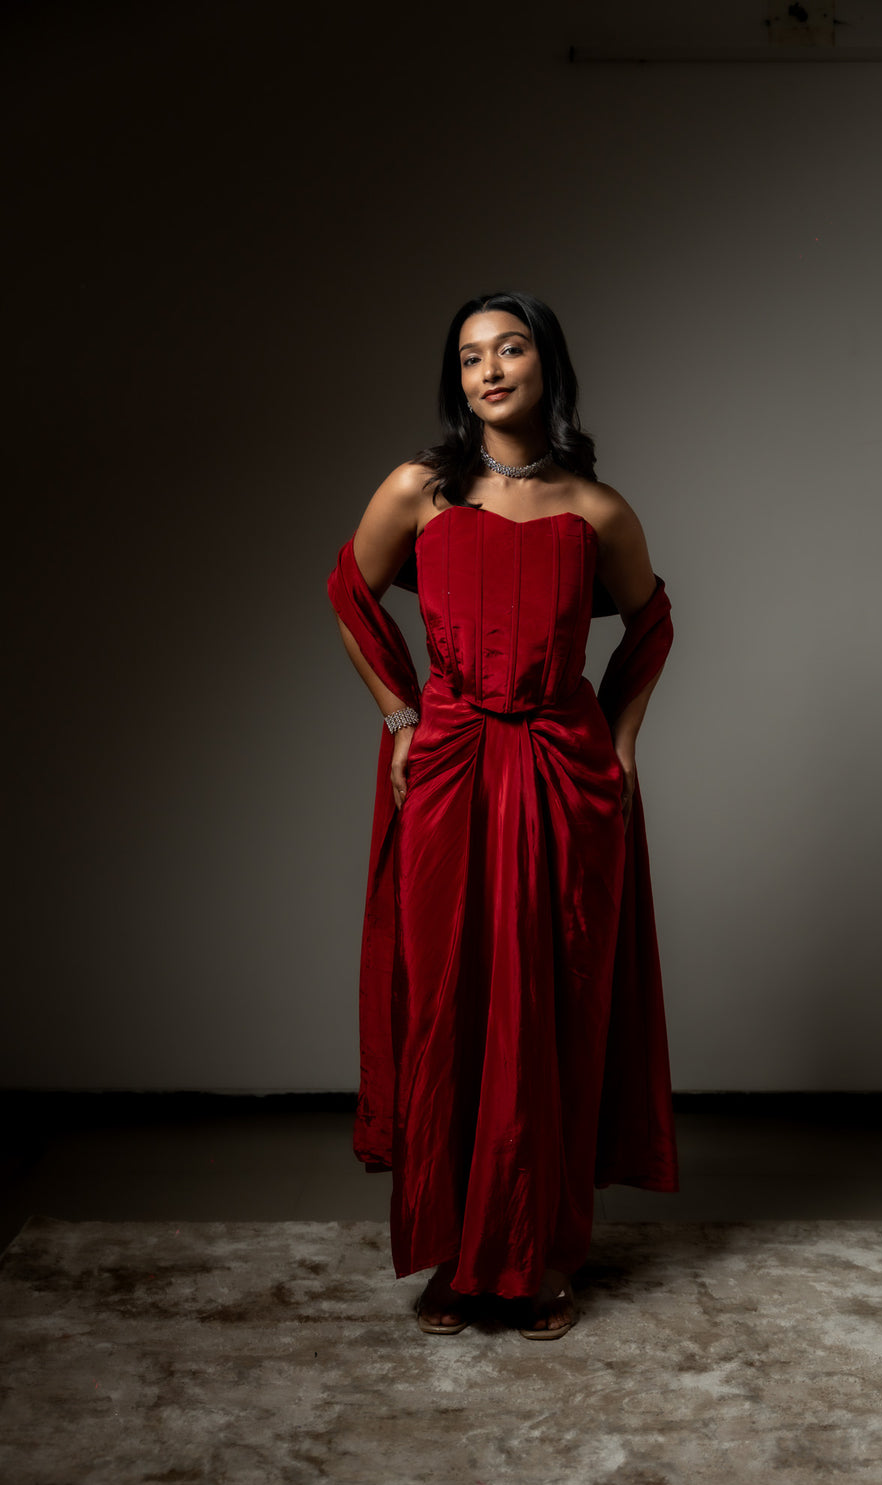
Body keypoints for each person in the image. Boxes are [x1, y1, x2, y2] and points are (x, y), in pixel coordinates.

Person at [327, 291, 677, 1340]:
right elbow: (349, 591)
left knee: (548, 1013)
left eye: (510, 348)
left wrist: (618, 741)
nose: (489, 370)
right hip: (449, 768)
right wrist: (398, 717)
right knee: (449, 1003)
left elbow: (651, 625)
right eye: (471, 355)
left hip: (561, 775)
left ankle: (536, 1260)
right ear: (459, 379)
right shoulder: (418, 492)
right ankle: (457, 1257)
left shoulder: (597, 509)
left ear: (544, 365)